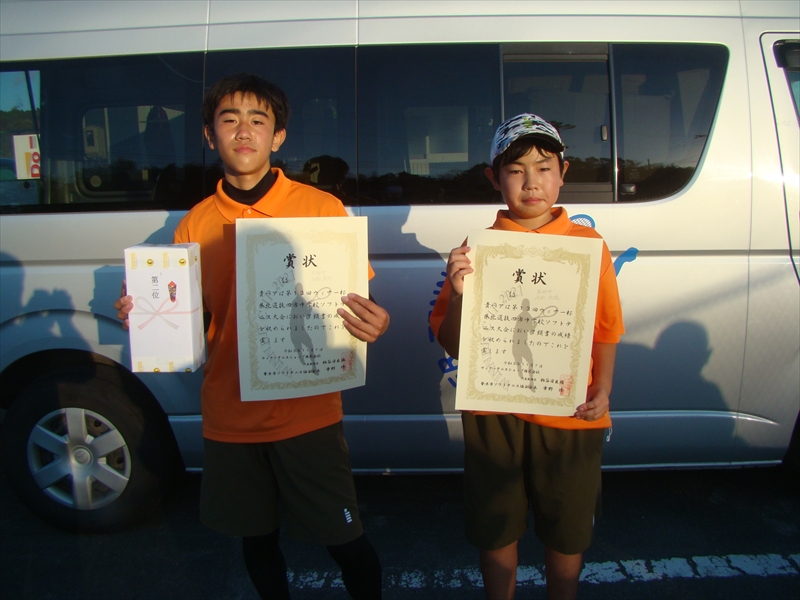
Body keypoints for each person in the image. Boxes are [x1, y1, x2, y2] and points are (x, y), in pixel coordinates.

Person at [115, 73, 388, 600]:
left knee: (346, 541)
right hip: (230, 415)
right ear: (208, 134)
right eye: (229, 119)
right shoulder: (194, 225)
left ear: (278, 136)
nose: (244, 131)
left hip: (307, 413)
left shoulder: (321, 209)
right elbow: (192, 321)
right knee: (257, 543)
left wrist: (374, 321)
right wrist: (146, 311)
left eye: (258, 120)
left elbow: (357, 302)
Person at [429, 113, 624, 600]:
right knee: (496, 532)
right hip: (493, 414)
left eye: (543, 168)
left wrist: (603, 387)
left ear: (563, 173)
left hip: (570, 413)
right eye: (515, 170)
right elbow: (452, 342)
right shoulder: (476, 250)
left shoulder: (589, 247)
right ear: (494, 178)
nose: (531, 182)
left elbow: (605, 328)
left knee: (567, 535)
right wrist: (458, 294)